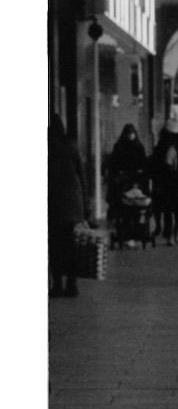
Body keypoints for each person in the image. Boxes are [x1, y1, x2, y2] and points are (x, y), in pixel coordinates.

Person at [48, 116, 88, 297]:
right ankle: (72, 284)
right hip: (73, 202)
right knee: (71, 244)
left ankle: (57, 284)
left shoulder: (48, 147)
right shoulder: (71, 146)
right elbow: (82, 176)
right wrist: (85, 205)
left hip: (54, 202)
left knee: (55, 245)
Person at [105, 123, 151, 248]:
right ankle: (131, 235)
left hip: (129, 184)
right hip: (128, 184)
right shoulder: (135, 147)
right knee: (130, 211)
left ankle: (129, 235)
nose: (131, 135)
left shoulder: (123, 147)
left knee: (128, 211)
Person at [149, 115, 178, 245]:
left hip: (168, 182)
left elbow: (155, 164)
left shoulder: (162, 144)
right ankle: (175, 232)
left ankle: (170, 234)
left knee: (169, 209)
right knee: (177, 209)